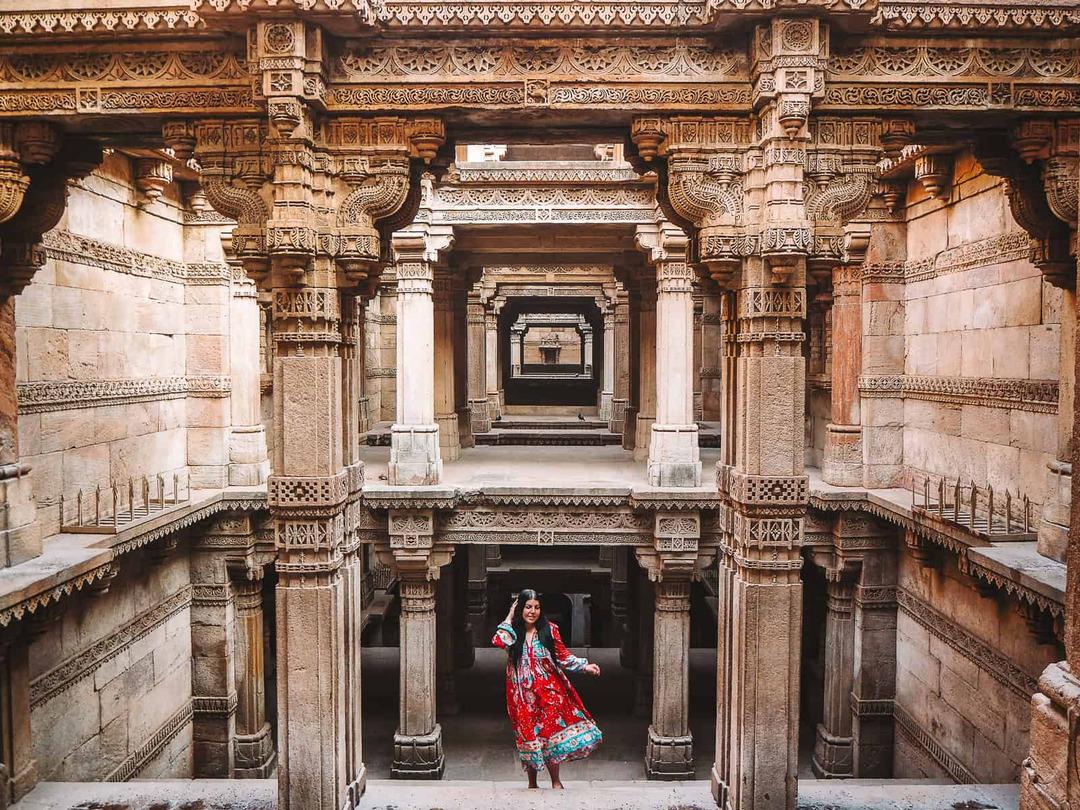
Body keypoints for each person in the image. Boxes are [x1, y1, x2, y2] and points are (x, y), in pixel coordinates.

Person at [492, 589, 602, 789]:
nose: (532, 611)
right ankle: (532, 784)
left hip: (549, 692)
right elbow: (498, 639)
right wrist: (510, 614)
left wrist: (584, 666)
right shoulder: (512, 632)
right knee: (528, 736)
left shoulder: (549, 630)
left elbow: (562, 656)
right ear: (520, 608)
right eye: (527, 607)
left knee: (550, 735)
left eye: (536, 607)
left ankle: (556, 782)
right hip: (522, 697)